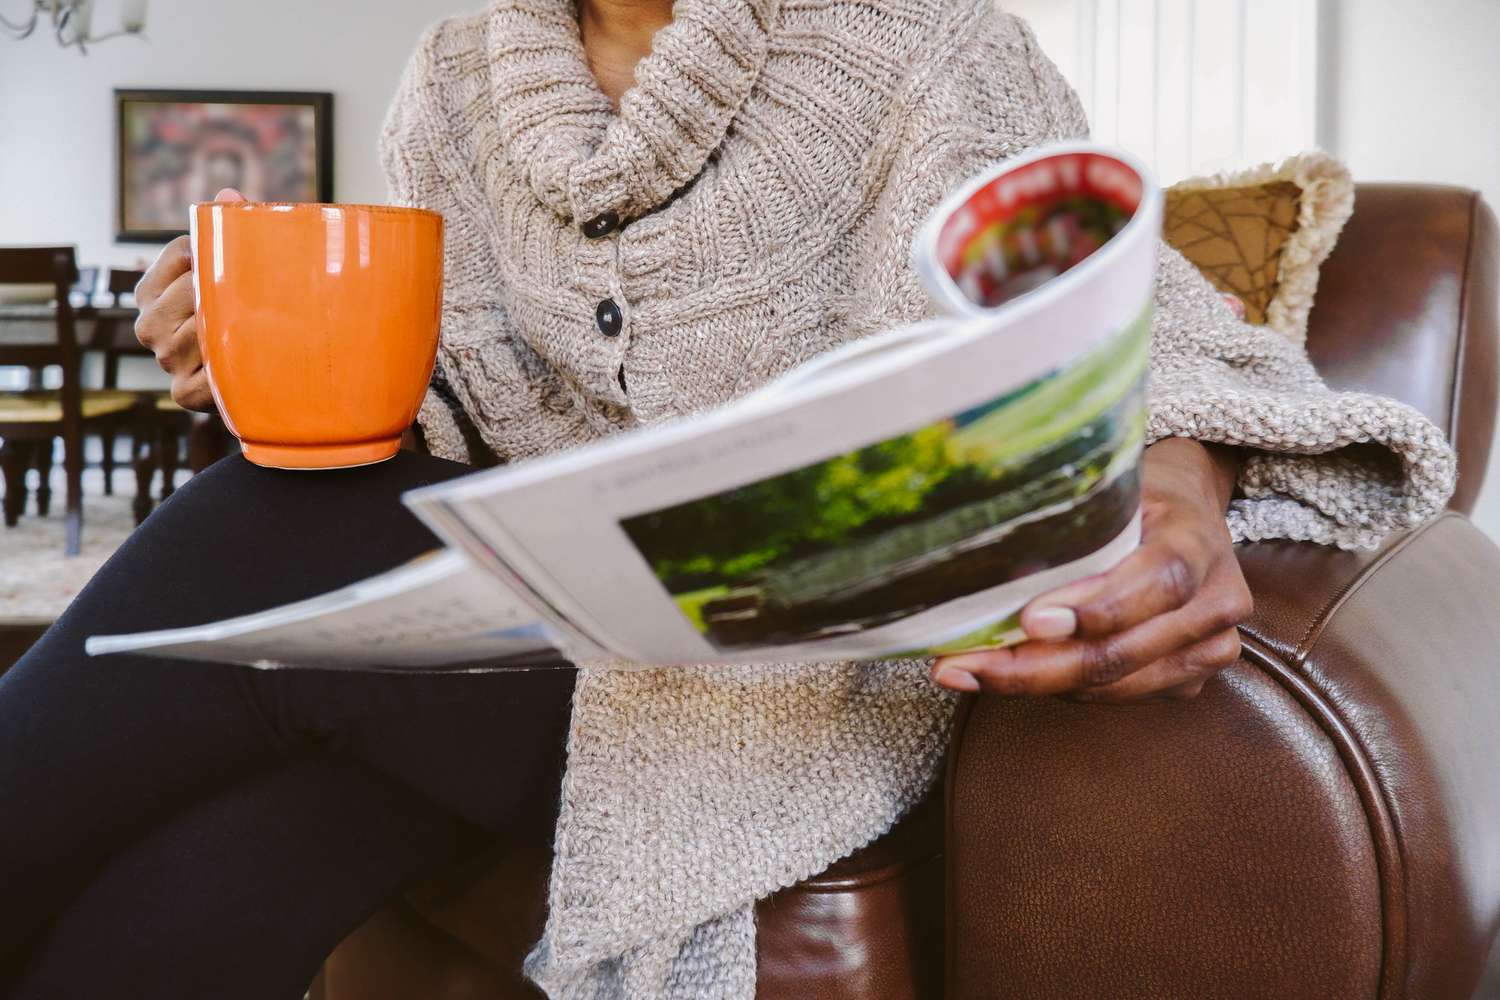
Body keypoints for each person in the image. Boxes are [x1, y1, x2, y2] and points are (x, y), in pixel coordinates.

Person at [0, 0, 1455, 996]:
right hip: (505, 668)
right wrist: (253, 352)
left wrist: (1180, 488)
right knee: (243, 841)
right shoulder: (452, 76)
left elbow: (1138, 335)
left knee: (272, 537)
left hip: (787, 703)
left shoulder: (925, 47)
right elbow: (446, 411)